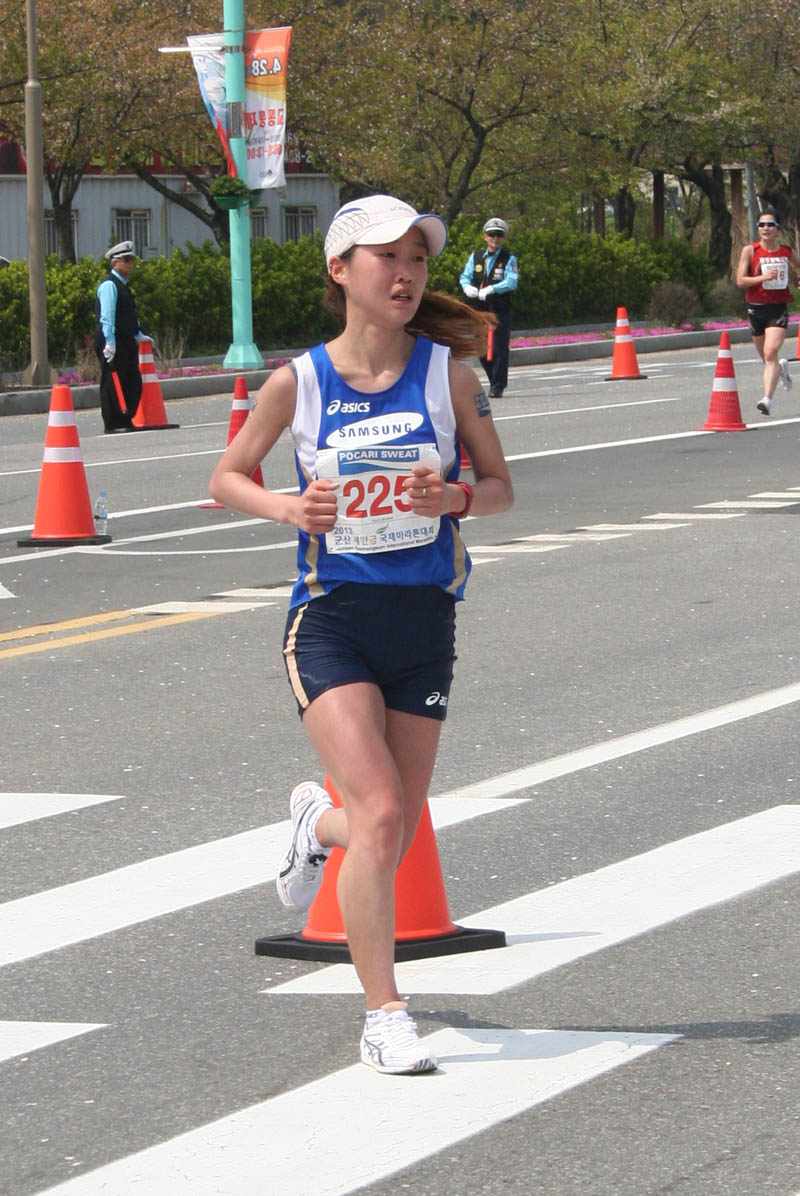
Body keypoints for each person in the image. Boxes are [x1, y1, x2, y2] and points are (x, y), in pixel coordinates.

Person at [209, 194, 513, 1075]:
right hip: (331, 619)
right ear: (341, 270)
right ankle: (384, 1013)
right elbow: (228, 475)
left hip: (423, 622)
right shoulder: (297, 382)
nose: (408, 273)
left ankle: (315, 824)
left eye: (418, 258)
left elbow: (499, 487)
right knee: (381, 811)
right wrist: (284, 505)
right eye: (388, 258)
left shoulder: (450, 375)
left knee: (391, 827)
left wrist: (454, 498)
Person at [736, 209, 800, 417]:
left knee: (771, 352)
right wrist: (763, 278)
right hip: (756, 308)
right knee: (767, 358)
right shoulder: (750, 251)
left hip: (777, 308)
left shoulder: (785, 252)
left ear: (777, 229)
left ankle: (767, 400)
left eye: (770, 225)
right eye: (761, 225)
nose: (766, 229)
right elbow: (740, 281)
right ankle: (781, 369)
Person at [94, 241, 151, 433]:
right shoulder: (110, 285)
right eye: (126, 260)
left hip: (126, 340)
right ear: (115, 262)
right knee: (112, 381)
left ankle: (126, 419)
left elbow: (128, 314)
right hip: (112, 339)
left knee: (131, 380)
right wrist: (109, 341)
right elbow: (107, 316)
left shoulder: (124, 286)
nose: (131, 263)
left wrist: (139, 334)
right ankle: (113, 423)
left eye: (132, 259)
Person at [459, 216, 519, 398]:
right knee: (480, 348)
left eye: (499, 235)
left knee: (500, 348)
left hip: (500, 308)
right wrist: (466, 287)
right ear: (485, 236)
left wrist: (493, 288)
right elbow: (465, 276)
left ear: (504, 238)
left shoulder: (509, 258)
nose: (495, 238)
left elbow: (512, 281)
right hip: (480, 309)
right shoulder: (476, 257)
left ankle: (498, 386)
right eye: (492, 235)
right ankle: (494, 380)